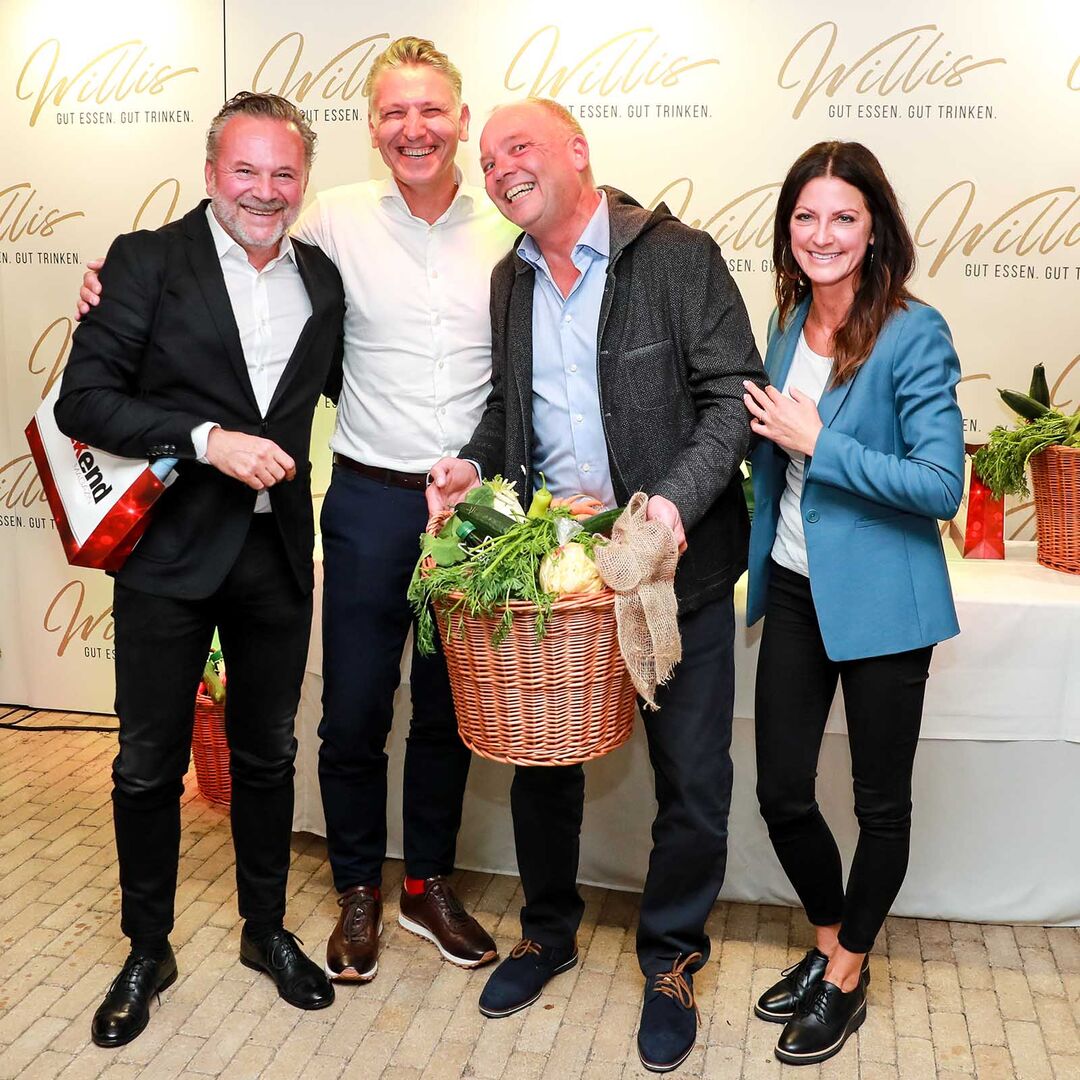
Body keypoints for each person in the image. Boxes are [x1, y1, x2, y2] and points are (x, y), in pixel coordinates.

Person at [77, 38, 518, 984]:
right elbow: (113, 375)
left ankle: (420, 886)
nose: (413, 128)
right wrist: (109, 292)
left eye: (431, 110)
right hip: (349, 505)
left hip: (464, 510)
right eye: (393, 112)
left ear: (461, 119)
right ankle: (342, 892)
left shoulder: (498, 229)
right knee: (341, 717)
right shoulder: (324, 226)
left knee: (440, 716)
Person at [427, 99, 765, 1074]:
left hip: (676, 573)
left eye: (519, 147)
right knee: (543, 765)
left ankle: (672, 957)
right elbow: (510, 415)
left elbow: (731, 397)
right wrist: (469, 466)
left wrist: (670, 508)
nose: (501, 168)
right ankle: (546, 932)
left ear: (578, 152)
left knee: (692, 783)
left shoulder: (677, 257)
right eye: (489, 159)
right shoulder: (511, 278)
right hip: (560, 575)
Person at [56, 92, 344, 1048]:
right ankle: (148, 949)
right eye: (246, 170)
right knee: (147, 766)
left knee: (267, 756)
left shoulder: (323, 280)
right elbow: (85, 401)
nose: (265, 190)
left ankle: (266, 931)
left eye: (284, 173)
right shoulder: (144, 261)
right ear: (212, 172)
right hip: (167, 556)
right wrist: (204, 438)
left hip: (275, 556)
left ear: (304, 181)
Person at [743, 141, 964, 1066]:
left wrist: (819, 442)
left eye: (844, 216)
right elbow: (768, 456)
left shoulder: (914, 330)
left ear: (875, 230)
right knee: (781, 793)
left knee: (881, 807)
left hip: (884, 601)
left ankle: (845, 974)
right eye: (806, 215)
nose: (822, 234)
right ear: (787, 228)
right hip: (795, 588)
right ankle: (832, 941)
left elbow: (941, 484)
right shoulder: (787, 321)